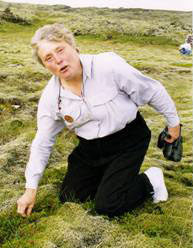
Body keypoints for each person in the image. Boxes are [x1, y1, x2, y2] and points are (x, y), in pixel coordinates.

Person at [17, 23, 180, 218]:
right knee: (70, 196)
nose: (58, 60)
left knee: (108, 205)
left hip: (128, 141)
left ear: (74, 47)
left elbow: (152, 90)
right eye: (48, 58)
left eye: (60, 50)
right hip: (90, 150)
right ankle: (111, 180)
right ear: (45, 66)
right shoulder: (51, 97)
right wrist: (30, 189)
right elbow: (42, 142)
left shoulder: (108, 66)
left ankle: (150, 180)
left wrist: (174, 124)